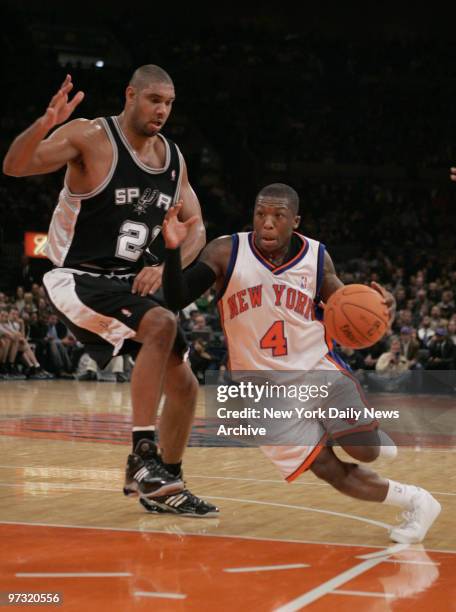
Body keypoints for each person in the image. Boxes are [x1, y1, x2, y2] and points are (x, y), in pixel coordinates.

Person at [161, 183, 441, 543]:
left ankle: (367, 436)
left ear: (295, 221)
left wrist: (383, 309)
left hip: (316, 369)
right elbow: (174, 296)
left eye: (278, 216)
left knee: (365, 451)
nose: (267, 223)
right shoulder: (224, 252)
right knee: (328, 470)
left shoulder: (316, 257)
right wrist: (171, 249)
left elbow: (348, 306)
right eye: (260, 214)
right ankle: (418, 501)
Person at [3, 65, 218, 516]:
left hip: (128, 283)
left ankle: (168, 485)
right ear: (131, 95)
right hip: (76, 277)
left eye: (169, 103)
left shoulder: (173, 159)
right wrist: (45, 124)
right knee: (161, 323)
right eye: (154, 99)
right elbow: (15, 166)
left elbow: (195, 224)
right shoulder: (91, 137)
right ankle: (142, 457)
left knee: (185, 387)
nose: (162, 110)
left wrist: (164, 265)